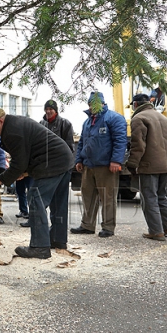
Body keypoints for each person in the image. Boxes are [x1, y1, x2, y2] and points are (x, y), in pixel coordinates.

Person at [0, 108, 74, 258]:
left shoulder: (11, 131)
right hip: (63, 158)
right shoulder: (16, 124)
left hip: (52, 162)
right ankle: (58, 240)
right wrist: (21, 172)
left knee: (35, 198)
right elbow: (26, 156)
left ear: (0, 121)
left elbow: (19, 163)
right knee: (58, 203)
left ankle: (40, 247)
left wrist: (1, 178)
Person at [71, 92, 127, 238]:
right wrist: (79, 160)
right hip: (88, 165)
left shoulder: (114, 118)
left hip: (106, 166)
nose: (92, 107)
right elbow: (82, 142)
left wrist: (116, 161)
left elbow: (120, 141)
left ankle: (108, 227)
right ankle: (87, 225)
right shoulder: (87, 122)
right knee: (88, 196)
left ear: (102, 103)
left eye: (95, 104)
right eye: (90, 104)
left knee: (108, 197)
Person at [125, 93, 167, 241]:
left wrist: (132, 164)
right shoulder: (163, 118)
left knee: (149, 198)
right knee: (161, 196)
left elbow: (138, 145)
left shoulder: (138, 119)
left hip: (149, 165)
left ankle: (156, 231)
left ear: (135, 104)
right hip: (166, 164)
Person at [16, 99, 73, 225]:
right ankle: (34, 220)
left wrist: (67, 167)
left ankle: (56, 228)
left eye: (51, 109)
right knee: (38, 196)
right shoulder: (41, 123)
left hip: (59, 167)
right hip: (44, 167)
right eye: (46, 109)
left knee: (57, 200)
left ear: (56, 110)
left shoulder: (65, 124)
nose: (48, 111)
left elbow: (69, 147)